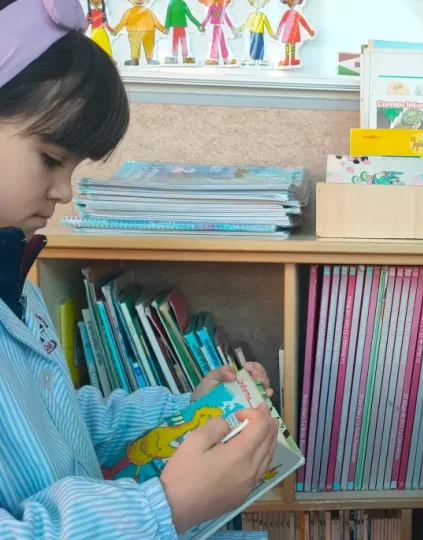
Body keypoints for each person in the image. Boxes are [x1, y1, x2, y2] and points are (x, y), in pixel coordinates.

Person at [0, 1, 280, 537]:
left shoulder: (15, 283)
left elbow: (63, 422)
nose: (64, 192)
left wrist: (184, 410)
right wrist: (164, 508)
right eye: (51, 159)